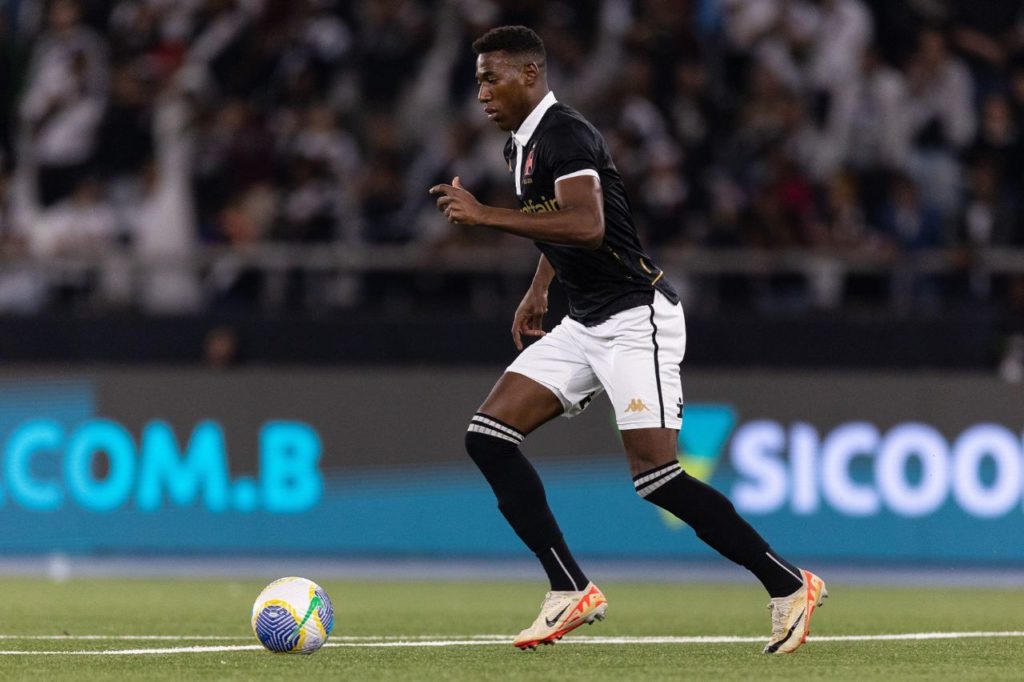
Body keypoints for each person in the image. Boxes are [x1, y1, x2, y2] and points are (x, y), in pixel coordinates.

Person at [429, 25, 826, 653]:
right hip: (584, 320)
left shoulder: (565, 133)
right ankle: (568, 589)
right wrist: (539, 287)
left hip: (635, 318)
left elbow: (586, 224)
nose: (480, 90)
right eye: (477, 78)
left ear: (530, 74)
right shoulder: (521, 146)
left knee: (656, 477)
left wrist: (483, 217)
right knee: (489, 438)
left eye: (490, 77)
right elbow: (555, 227)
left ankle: (787, 585)